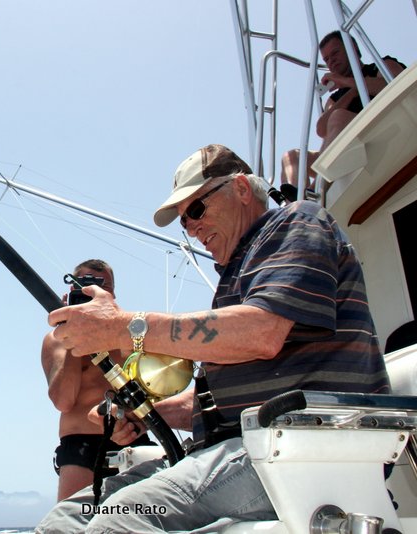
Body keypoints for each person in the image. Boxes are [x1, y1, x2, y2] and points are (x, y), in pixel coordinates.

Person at [35, 144, 390, 533]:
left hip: (298, 447)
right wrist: (145, 416)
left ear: (241, 189)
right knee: (64, 521)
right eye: (184, 222)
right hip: (233, 449)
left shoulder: (296, 222)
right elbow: (218, 400)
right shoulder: (237, 274)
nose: (191, 228)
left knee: (118, 519)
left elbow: (262, 333)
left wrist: (122, 327)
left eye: (196, 209)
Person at [41, 259, 152, 502]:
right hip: (80, 444)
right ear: (72, 290)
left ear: (112, 294)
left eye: (103, 287)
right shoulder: (55, 340)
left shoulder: (131, 332)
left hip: (132, 435)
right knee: (76, 518)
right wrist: (72, 333)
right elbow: (63, 401)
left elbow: (155, 388)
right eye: (85, 285)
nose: (93, 292)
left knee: (148, 514)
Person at [280, 31, 405, 199]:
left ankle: (314, 190)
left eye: (335, 53)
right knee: (292, 157)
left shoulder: (380, 66)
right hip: (346, 150)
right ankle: (292, 203)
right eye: (326, 59)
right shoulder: (335, 98)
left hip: (383, 133)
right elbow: (322, 129)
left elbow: (396, 85)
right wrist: (351, 92)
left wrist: (349, 83)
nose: (331, 61)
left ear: (352, 48)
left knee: (338, 117)